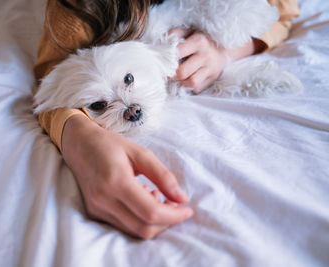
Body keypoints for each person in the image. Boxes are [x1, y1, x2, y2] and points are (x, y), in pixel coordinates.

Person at [33, 0, 300, 239]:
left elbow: (282, 13)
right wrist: (81, 138)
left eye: (129, 82)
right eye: (101, 105)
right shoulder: (76, 10)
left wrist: (224, 52)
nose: (131, 110)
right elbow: (51, 81)